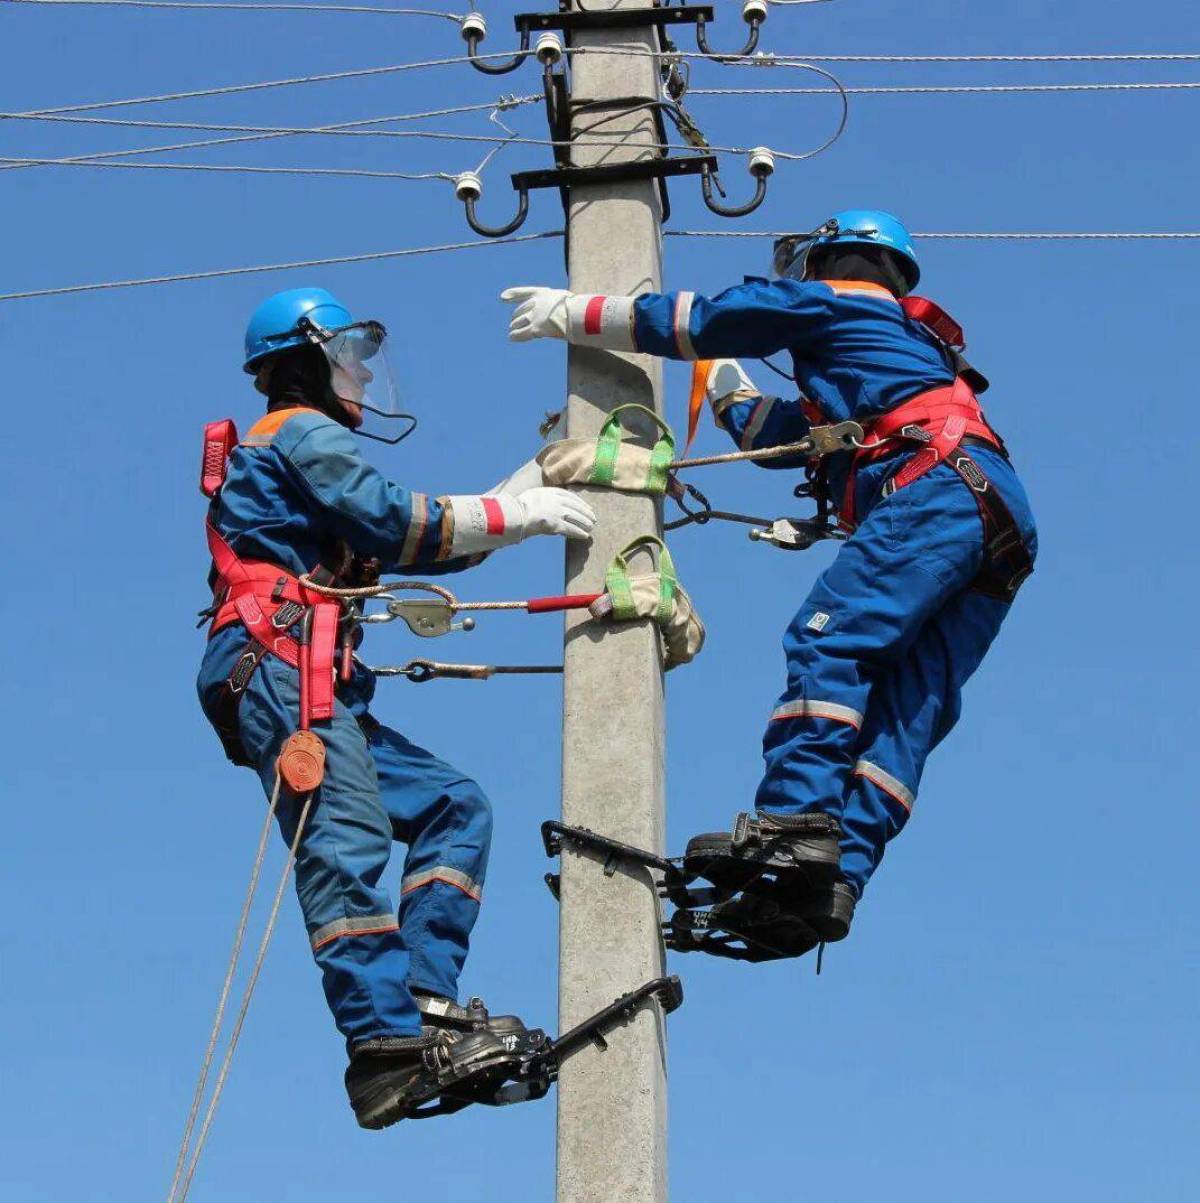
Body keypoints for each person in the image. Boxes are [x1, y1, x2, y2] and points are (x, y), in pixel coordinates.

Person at [500, 210, 1037, 958]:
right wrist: (722, 383)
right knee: (909, 706)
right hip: (995, 515)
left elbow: (711, 318)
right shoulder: (896, 355)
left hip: (935, 488)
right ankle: (834, 876)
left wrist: (580, 313)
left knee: (830, 640)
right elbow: (771, 437)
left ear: (836, 258)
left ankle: (795, 825)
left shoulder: (838, 301)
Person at [197, 286, 595, 1126]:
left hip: (310, 673)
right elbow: (398, 523)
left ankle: (421, 1002)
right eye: (350, 358)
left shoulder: (305, 456)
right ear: (304, 360)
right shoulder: (294, 433)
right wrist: (514, 513)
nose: (364, 377)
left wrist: (521, 490)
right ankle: (382, 1047)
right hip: (277, 664)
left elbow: (411, 546)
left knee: (456, 806)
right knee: (346, 840)